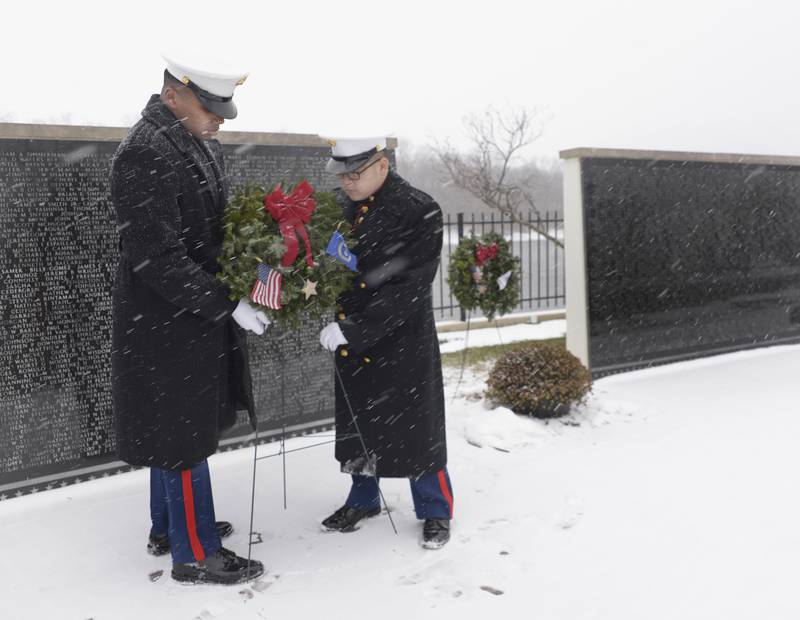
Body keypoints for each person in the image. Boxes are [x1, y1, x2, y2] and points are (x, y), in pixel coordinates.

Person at [109, 56, 270, 584]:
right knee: (182, 436)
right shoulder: (145, 151)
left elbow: (208, 229)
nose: (220, 119)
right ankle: (195, 553)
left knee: (176, 428)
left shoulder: (188, 140)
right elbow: (159, 257)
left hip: (186, 320)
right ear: (173, 94)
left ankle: (168, 528)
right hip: (167, 324)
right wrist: (228, 305)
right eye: (210, 106)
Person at [318, 137, 453, 549]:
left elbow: (410, 286)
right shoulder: (339, 207)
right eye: (341, 174)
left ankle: (435, 510)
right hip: (351, 336)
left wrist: (358, 328)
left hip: (400, 338)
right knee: (359, 423)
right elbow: (328, 263)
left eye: (355, 173)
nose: (347, 182)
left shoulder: (418, 209)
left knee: (417, 430)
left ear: (382, 164)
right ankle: (363, 498)